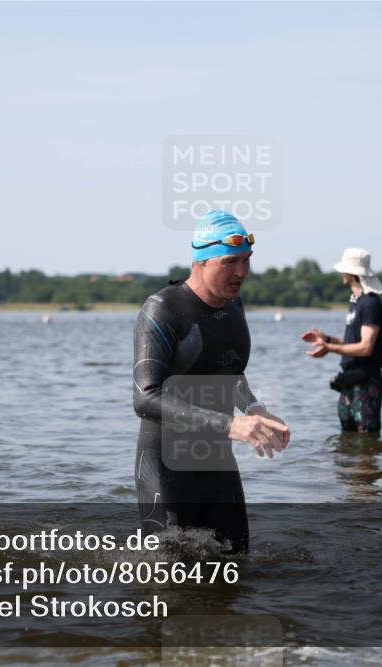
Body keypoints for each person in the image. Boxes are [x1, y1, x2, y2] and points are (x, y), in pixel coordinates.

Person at [133, 210, 290, 553]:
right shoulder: (161, 309)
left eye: (246, 260)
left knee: (238, 567)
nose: (242, 272)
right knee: (171, 578)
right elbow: (145, 398)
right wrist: (230, 425)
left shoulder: (234, 308)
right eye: (230, 262)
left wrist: (254, 408)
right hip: (167, 471)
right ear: (201, 261)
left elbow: (227, 369)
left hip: (218, 467)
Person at [301, 248, 382, 433]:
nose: (341, 273)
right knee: (346, 439)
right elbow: (353, 344)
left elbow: (365, 348)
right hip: (349, 381)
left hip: (366, 383)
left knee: (367, 439)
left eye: (344, 269)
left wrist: (329, 347)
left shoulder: (370, 303)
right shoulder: (356, 302)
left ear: (351, 273)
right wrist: (327, 340)